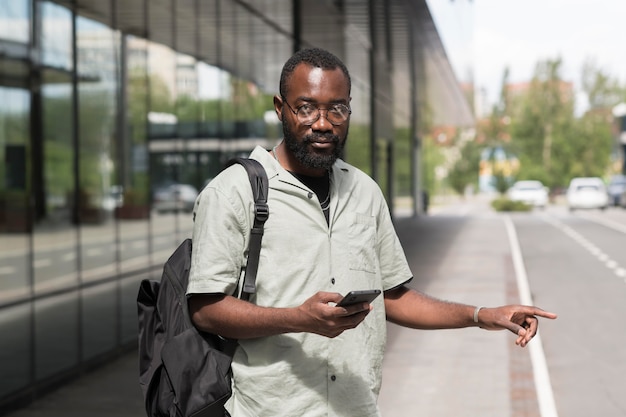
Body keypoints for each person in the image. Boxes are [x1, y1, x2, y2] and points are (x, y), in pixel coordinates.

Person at [187, 47, 557, 417]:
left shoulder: (364, 192)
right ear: (280, 108)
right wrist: (299, 318)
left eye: (337, 108)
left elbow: (392, 296)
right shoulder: (232, 192)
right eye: (306, 107)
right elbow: (205, 309)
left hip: (356, 408)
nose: (323, 123)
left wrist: (481, 314)